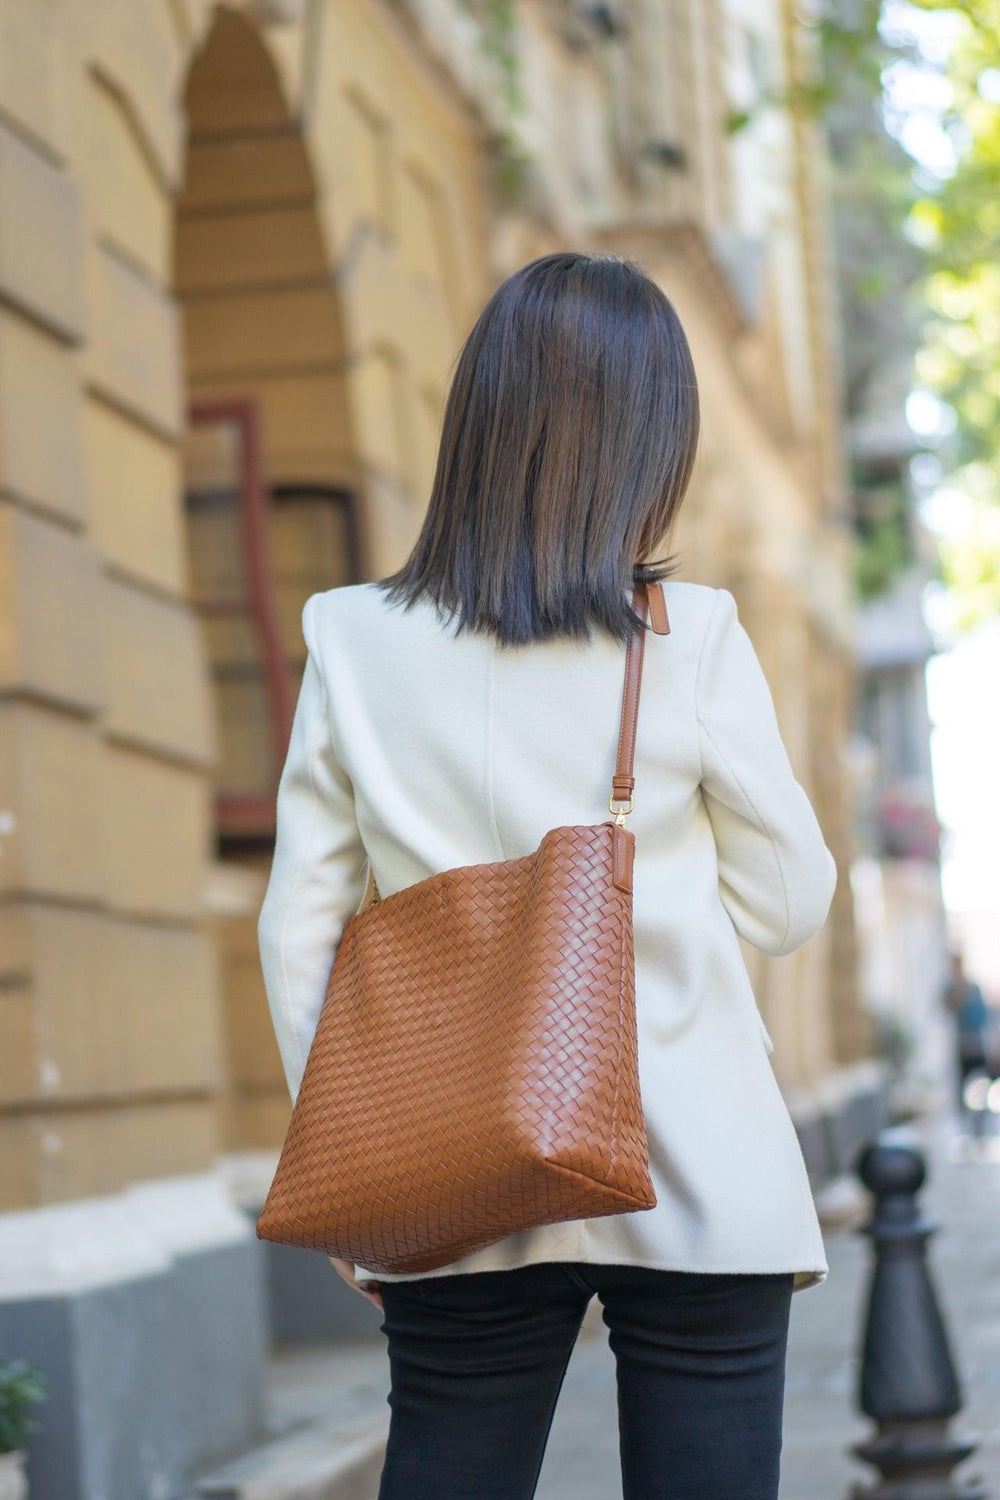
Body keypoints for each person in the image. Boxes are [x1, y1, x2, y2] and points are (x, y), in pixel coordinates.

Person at [257, 251, 839, 1500]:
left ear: (481, 419)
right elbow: (789, 908)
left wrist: (356, 1174)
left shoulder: (350, 640)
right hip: (695, 1165)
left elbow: (296, 930)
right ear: (651, 440)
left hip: (454, 1173)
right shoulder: (691, 638)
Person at [942, 949, 995, 1138]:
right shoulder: (950, 989)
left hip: (976, 1046)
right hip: (959, 1048)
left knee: (980, 1088)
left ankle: (980, 1128)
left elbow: (981, 1017)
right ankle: (966, 1130)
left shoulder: (973, 988)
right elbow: (943, 1009)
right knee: (962, 1091)